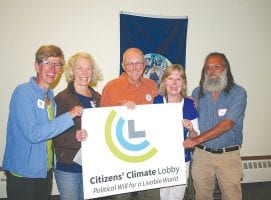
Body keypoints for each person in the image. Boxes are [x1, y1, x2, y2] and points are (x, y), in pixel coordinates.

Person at [2, 45, 84, 200]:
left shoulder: (50, 96)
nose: (53, 68)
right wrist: (70, 115)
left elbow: (52, 131)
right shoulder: (23, 92)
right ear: (37, 66)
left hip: (45, 170)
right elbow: (34, 134)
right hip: (23, 173)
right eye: (48, 63)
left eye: (57, 64)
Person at [183, 52, 247, 200]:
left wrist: (197, 139)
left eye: (216, 66)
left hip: (228, 156)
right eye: (208, 67)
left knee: (232, 196)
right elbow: (192, 122)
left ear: (225, 69)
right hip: (201, 156)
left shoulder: (238, 93)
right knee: (201, 196)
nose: (212, 71)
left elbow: (227, 124)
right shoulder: (197, 93)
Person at [101, 47, 159, 200]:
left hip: (148, 155)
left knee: (151, 196)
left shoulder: (152, 86)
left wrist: (189, 102)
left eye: (138, 63)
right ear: (123, 65)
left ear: (145, 63)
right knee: (121, 197)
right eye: (129, 64)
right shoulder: (111, 87)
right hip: (121, 155)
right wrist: (120, 109)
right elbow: (101, 123)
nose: (134, 68)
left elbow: (162, 112)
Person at [53, 52, 103, 200]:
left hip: (92, 166)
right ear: (72, 71)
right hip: (69, 166)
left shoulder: (98, 98)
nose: (85, 73)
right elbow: (53, 134)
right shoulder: (61, 99)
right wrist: (74, 136)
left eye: (89, 69)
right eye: (80, 68)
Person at [153, 64, 200, 200]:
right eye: (170, 78)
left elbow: (195, 137)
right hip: (159, 160)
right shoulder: (156, 102)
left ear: (183, 83)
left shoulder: (190, 105)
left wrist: (191, 129)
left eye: (178, 79)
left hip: (181, 160)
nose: (174, 83)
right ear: (164, 81)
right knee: (160, 196)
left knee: (176, 197)